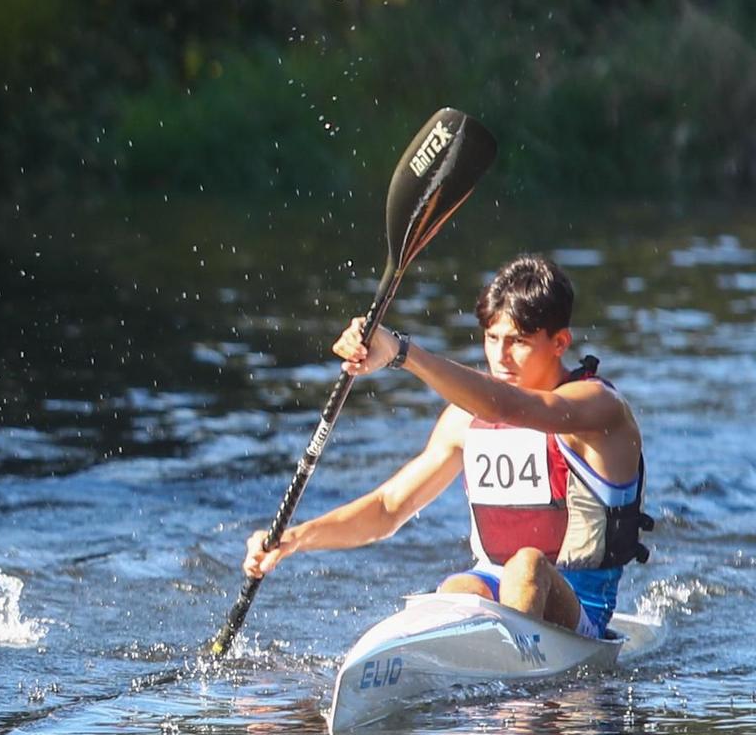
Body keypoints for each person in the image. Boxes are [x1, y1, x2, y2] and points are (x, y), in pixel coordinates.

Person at [244, 254, 650, 637]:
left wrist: (402, 352)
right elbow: (389, 508)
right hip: (495, 589)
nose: (501, 356)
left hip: (580, 608)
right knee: (459, 587)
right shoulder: (463, 421)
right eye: (492, 338)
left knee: (526, 565)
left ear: (560, 342)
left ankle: (515, 685)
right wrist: (294, 539)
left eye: (519, 341)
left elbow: (513, 407)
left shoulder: (598, 409)